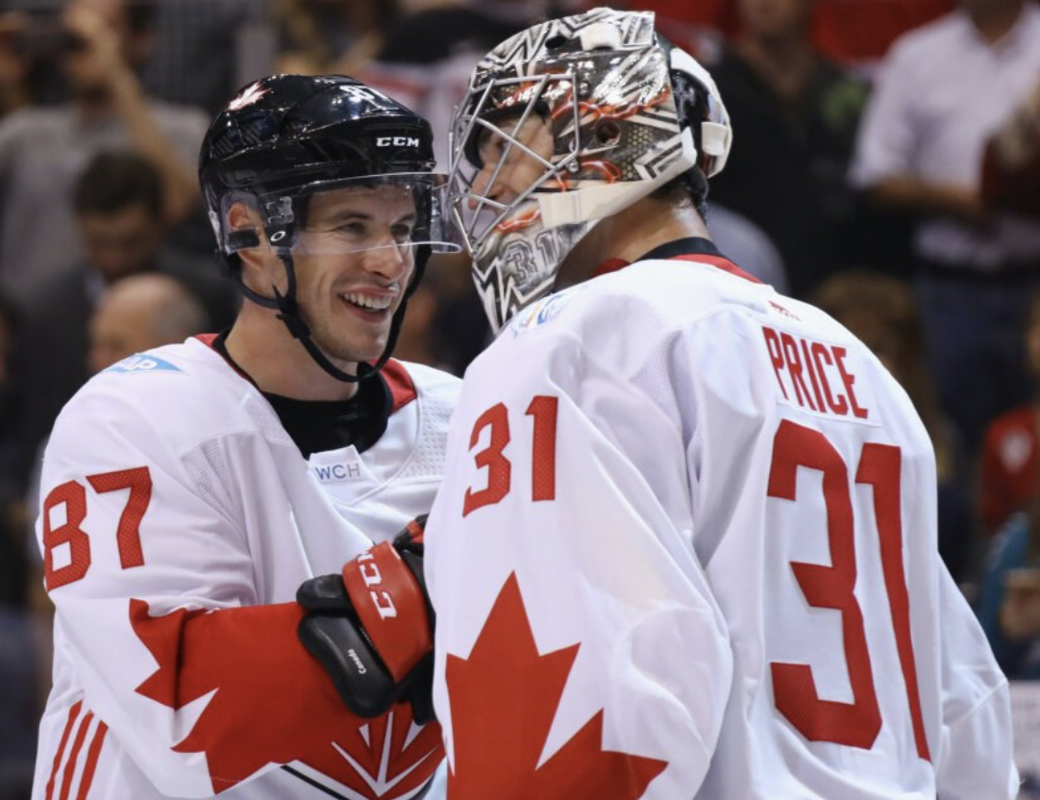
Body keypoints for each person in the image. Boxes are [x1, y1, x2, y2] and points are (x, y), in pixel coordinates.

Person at [423, 8, 1017, 798]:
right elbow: (963, 700)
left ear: (601, 142)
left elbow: (598, 695)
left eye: (506, 149)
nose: (490, 188)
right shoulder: (855, 359)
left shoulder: (569, 343)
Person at [31, 74, 460, 800]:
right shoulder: (134, 418)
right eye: (352, 226)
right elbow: (180, 712)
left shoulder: (463, 415)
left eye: (400, 226)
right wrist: (424, 592)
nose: (389, 262)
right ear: (249, 235)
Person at [850, 0, 1040, 449]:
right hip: (949, 291)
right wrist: (963, 202)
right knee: (940, 437)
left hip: (1034, 284)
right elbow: (872, 175)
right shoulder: (918, 55)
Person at [0, 0, 209, 303]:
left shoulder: (183, 127)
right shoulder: (26, 129)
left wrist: (116, 74)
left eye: (105, 28)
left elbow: (174, 204)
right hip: (31, 325)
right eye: (76, 28)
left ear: (142, 40)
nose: (87, 41)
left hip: (137, 318)